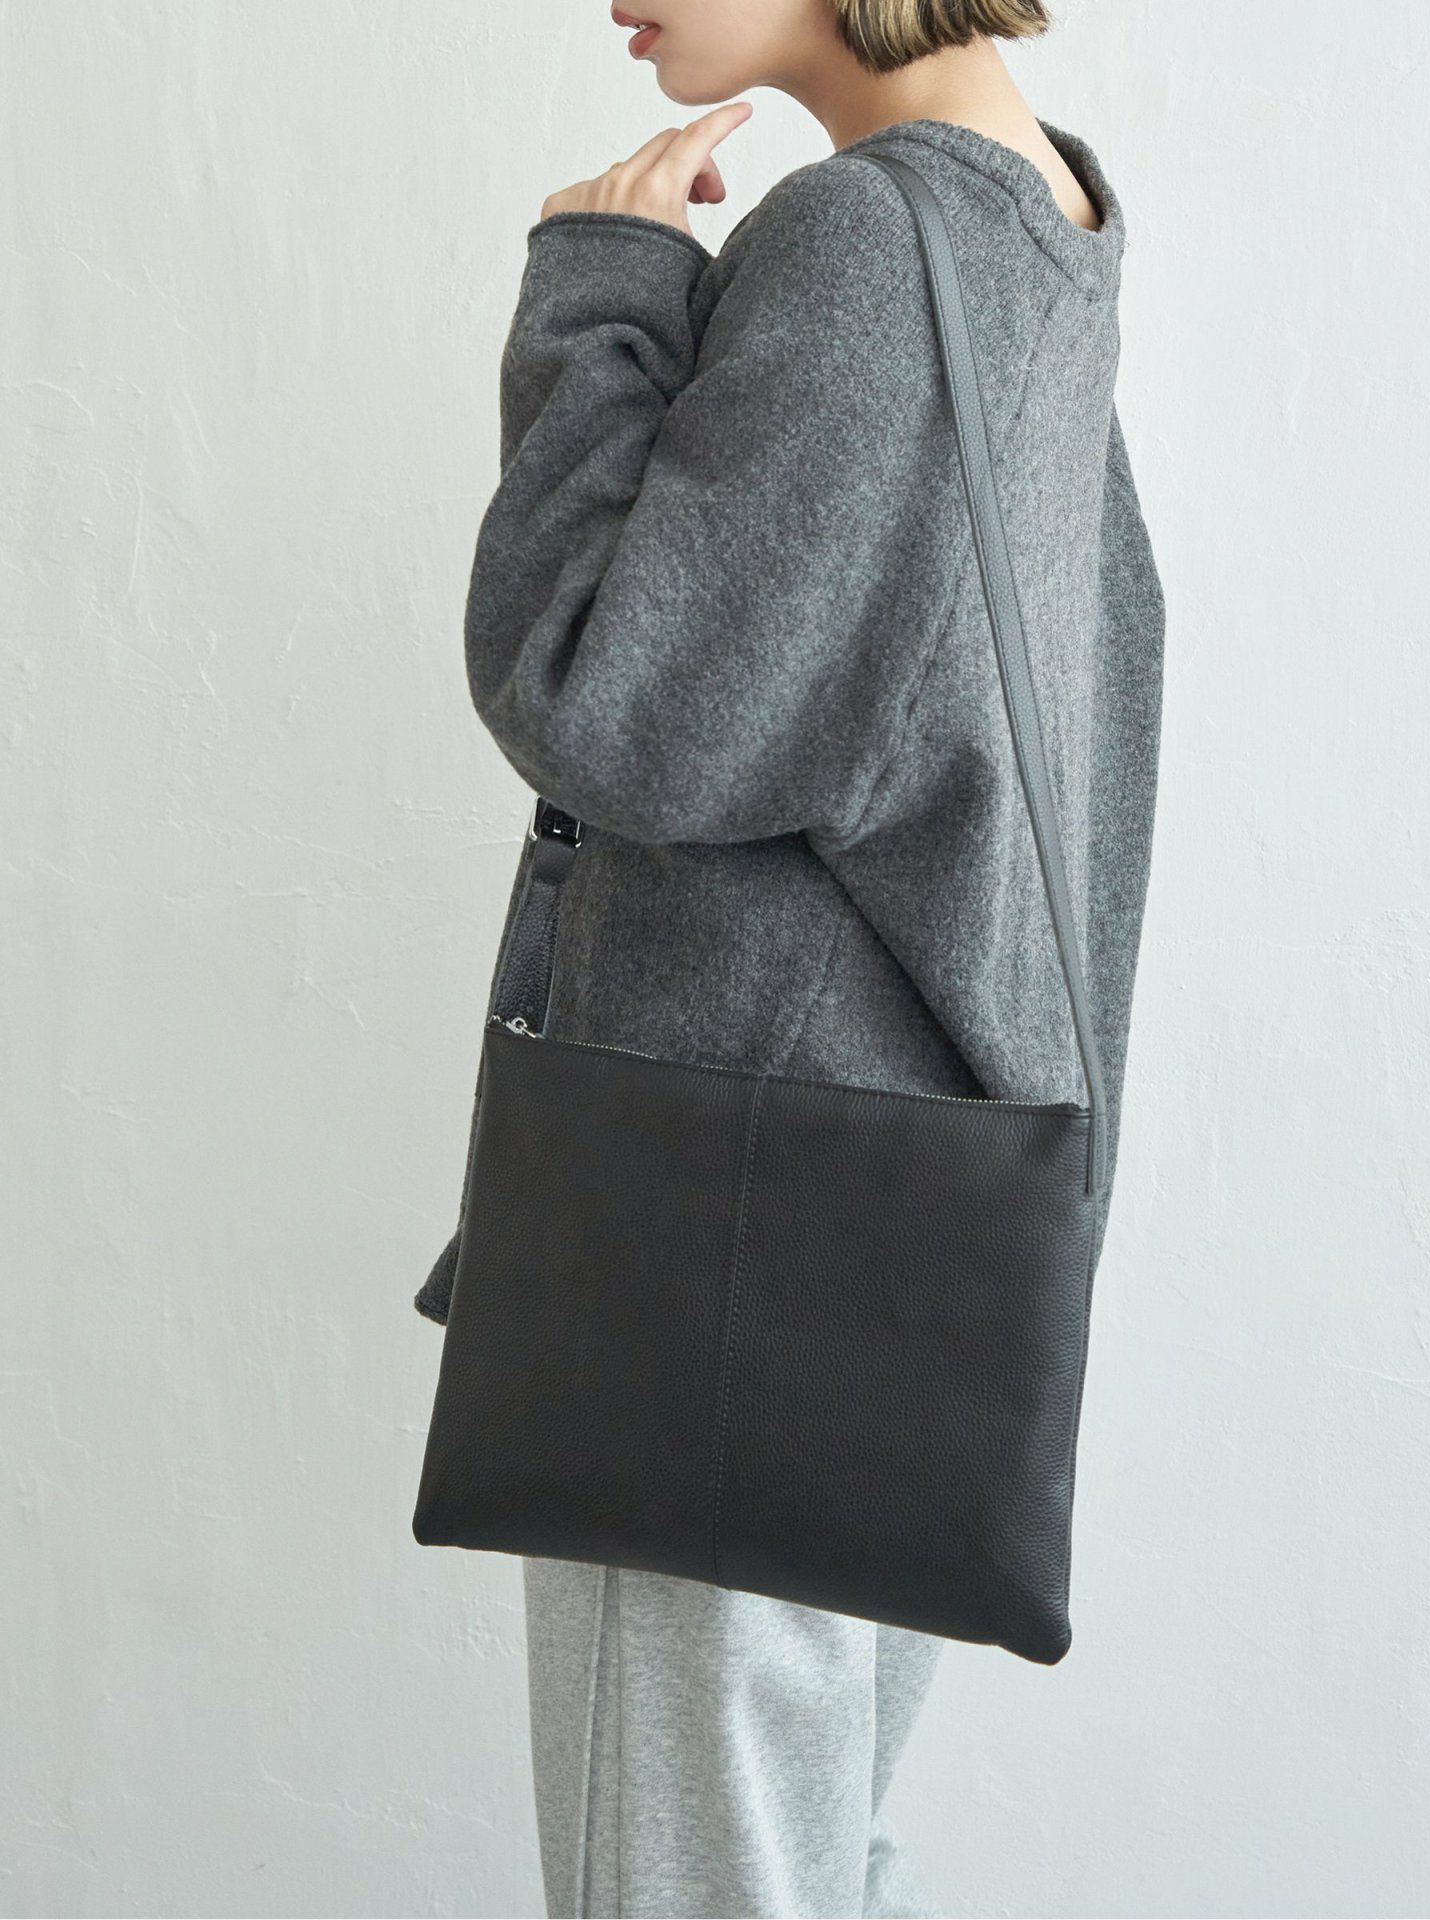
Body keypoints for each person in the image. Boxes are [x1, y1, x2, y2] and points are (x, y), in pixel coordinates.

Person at [419, 1, 1164, 1911]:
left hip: (733, 1238)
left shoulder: (865, 239)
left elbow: (627, 711)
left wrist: (602, 297)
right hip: (891, 1220)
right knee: (791, 1862)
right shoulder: (1042, 221)